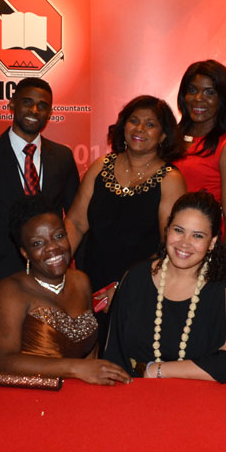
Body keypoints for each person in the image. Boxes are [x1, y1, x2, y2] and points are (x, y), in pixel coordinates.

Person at [0, 77, 80, 321]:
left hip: (55, 279)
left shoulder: (63, 157)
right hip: (1, 278)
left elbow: (77, 221)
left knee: (51, 345)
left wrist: (82, 278)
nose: (34, 110)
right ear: (12, 104)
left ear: (50, 113)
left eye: (42, 105)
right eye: (27, 102)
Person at [0, 196, 131, 385]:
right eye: (38, 243)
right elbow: (3, 361)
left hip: (75, 389)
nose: (52, 247)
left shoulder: (80, 281)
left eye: (59, 236)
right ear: (25, 253)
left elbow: (91, 350)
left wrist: (90, 382)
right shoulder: (9, 292)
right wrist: (77, 369)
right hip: (29, 392)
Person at [103, 191, 226, 382]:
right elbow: (113, 352)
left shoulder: (223, 296)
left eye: (197, 236)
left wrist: (157, 370)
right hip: (132, 389)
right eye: (178, 230)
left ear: (212, 242)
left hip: (196, 395)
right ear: (167, 229)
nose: (185, 243)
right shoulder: (135, 278)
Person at [65, 95, 187, 313]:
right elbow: (75, 223)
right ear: (123, 126)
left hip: (140, 289)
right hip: (90, 284)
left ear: (163, 136)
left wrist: (126, 285)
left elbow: (168, 247)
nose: (139, 128)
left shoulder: (170, 180)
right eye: (134, 120)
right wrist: (56, 269)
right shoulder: (101, 166)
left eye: (150, 124)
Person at [173, 60, 226, 277]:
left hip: (202, 253)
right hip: (168, 247)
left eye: (209, 92)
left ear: (222, 99)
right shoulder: (170, 138)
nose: (198, 98)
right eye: (192, 90)